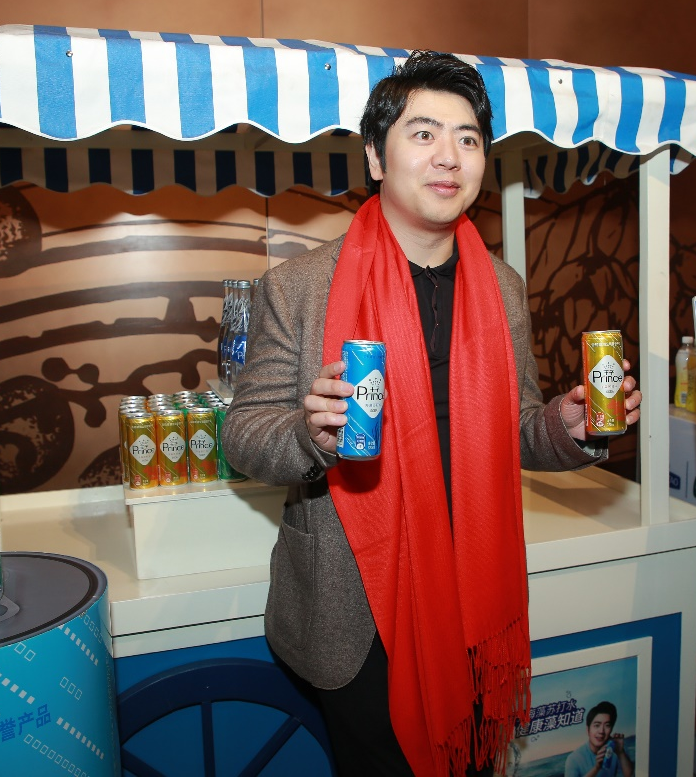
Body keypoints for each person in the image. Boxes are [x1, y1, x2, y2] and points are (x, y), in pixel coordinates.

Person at [221, 51, 642, 777]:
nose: (450, 155)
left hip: (472, 586)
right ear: (375, 157)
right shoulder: (299, 287)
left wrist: (567, 429)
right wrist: (309, 433)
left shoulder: (502, 288)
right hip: (356, 602)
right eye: (423, 133)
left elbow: (517, 429)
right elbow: (244, 433)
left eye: (468, 138)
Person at [564, 701, 634, 777]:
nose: (601, 731)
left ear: (611, 729)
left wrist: (621, 753)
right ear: (587, 730)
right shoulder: (573, 759)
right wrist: (596, 768)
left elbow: (630, 775)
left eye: (607, 725)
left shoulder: (617, 748)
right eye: (597, 725)